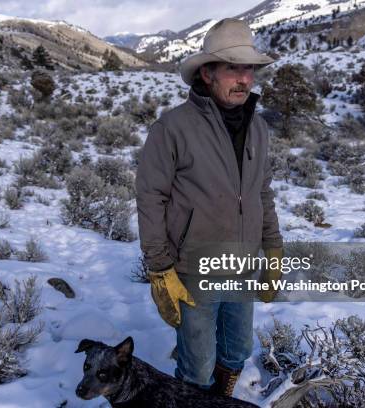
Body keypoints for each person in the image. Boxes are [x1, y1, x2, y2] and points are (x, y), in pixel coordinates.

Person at [135, 18, 284, 397]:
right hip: (193, 268)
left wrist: (273, 249)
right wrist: (160, 268)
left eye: (248, 69)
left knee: (236, 352)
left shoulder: (259, 128)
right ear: (207, 73)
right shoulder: (172, 128)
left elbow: (261, 192)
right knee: (197, 366)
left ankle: (222, 396)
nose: (244, 79)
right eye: (232, 68)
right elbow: (151, 197)